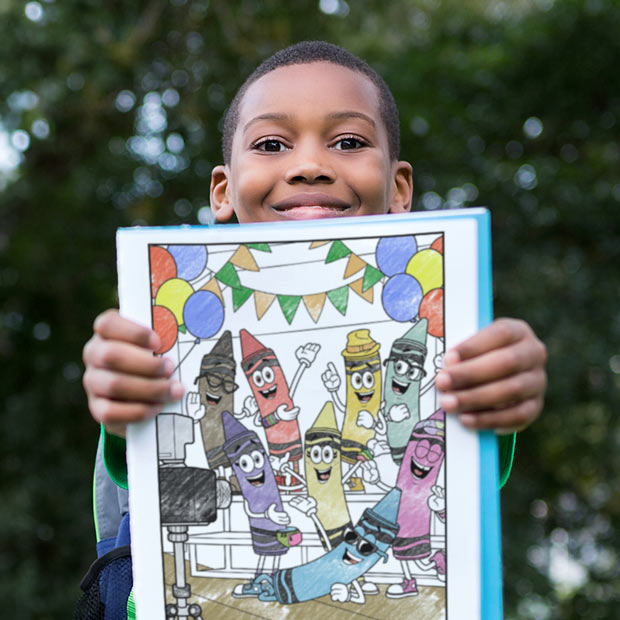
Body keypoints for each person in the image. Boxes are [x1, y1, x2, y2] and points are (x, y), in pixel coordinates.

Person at [79, 40, 547, 615]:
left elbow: (458, 442)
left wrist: (504, 379)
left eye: (348, 142)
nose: (308, 165)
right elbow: (140, 454)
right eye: (272, 144)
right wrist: (120, 392)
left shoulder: (444, 324)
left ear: (399, 188)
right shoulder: (168, 329)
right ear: (222, 190)